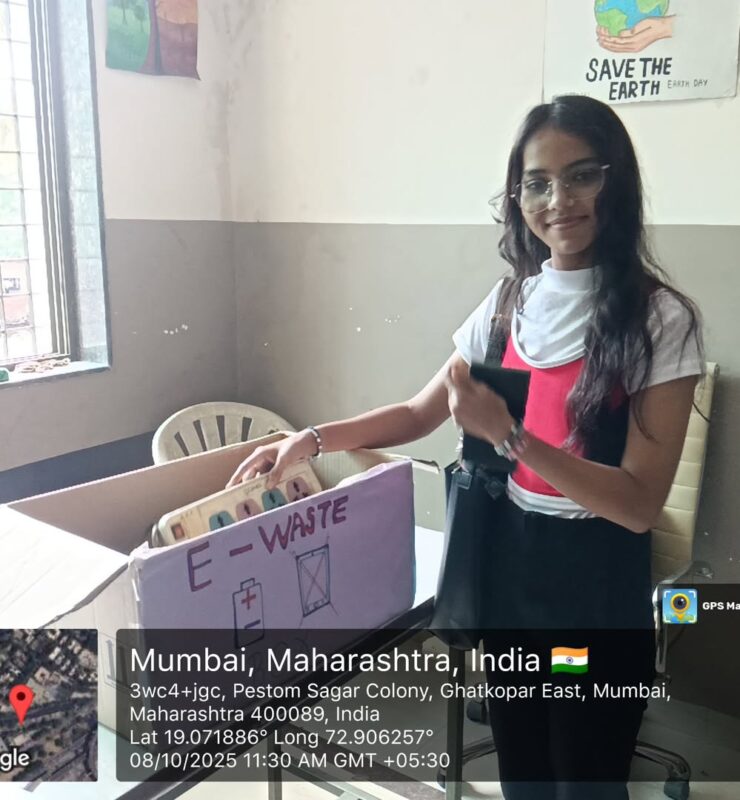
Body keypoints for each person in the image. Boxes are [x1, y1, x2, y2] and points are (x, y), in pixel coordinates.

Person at [227, 95, 703, 799]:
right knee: (525, 771)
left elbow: (637, 504)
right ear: (518, 199)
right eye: (537, 183)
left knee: (583, 771)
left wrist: (510, 436)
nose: (558, 200)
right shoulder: (511, 304)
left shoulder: (660, 320)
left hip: (591, 592)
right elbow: (417, 412)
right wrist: (312, 438)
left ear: (618, 181)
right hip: (511, 577)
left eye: (582, 175)